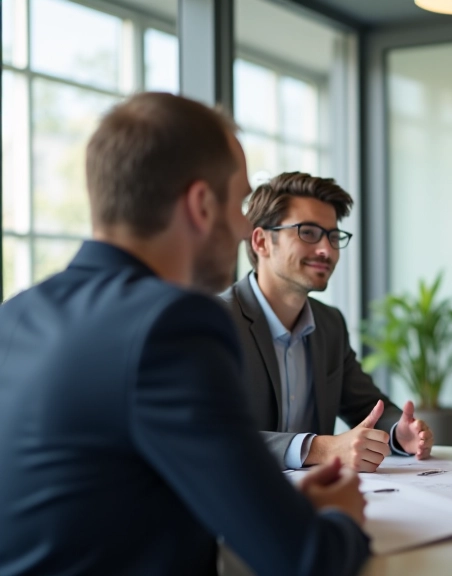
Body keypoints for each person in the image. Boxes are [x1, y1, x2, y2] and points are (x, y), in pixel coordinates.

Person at [0, 93, 370, 575]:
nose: (244, 228)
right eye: (239, 203)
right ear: (200, 204)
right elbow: (304, 560)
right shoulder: (171, 323)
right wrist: (341, 514)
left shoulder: (16, 314)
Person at [222, 172, 433, 472]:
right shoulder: (217, 321)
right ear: (262, 241)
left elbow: (367, 407)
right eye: (308, 232)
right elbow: (211, 435)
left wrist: (400, 434)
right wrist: (321, 448)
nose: (327, 250)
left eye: (333, 236)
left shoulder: (329, 324)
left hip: (318, 498)